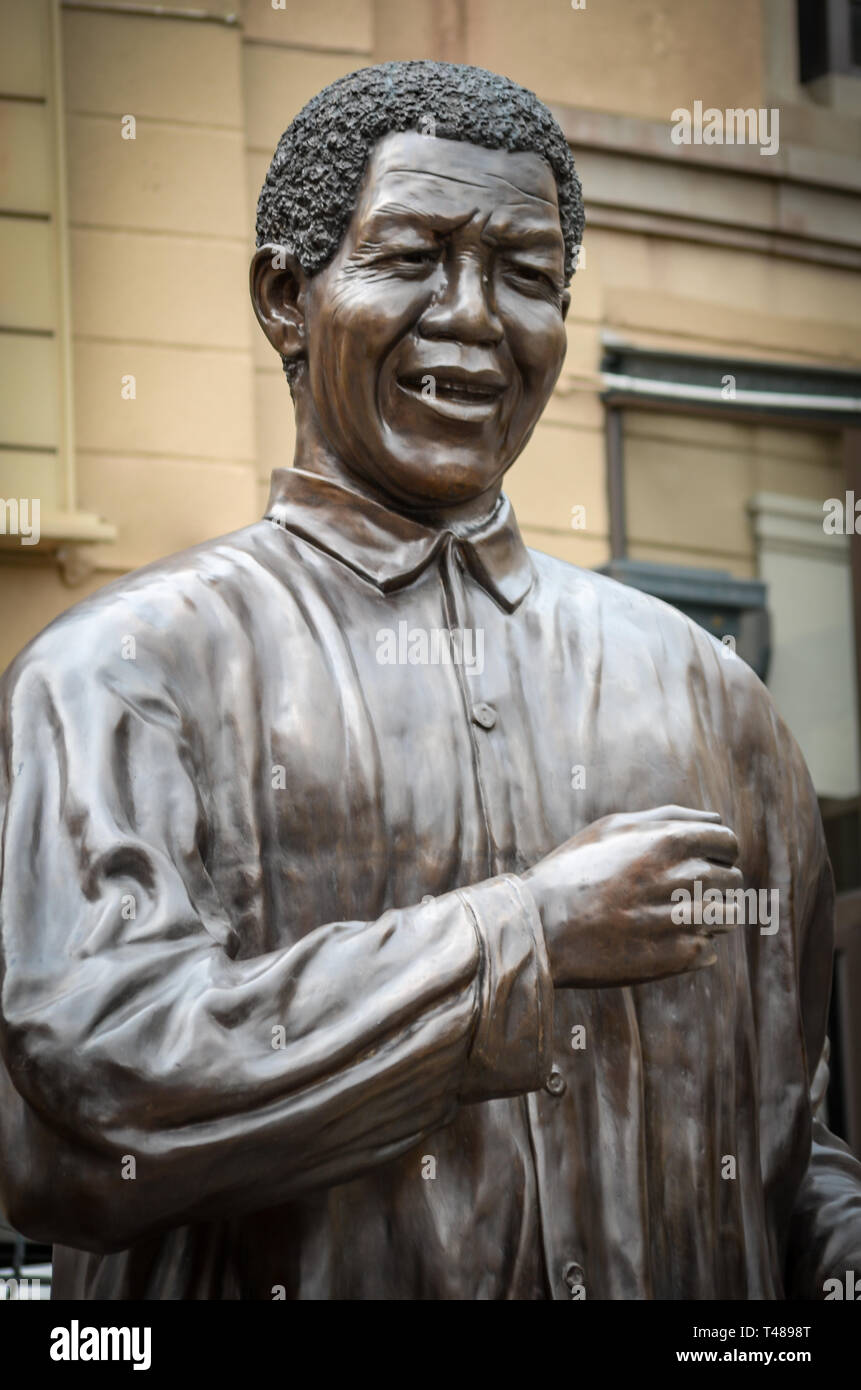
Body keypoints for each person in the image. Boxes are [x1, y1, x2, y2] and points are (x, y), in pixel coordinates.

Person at [0, 60, 859, 1300]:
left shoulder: (708, 697)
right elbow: (87, 1109)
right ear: (286, 296)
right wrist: (528, 935)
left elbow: (782, 1130)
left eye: (523, 275)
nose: (472, 315)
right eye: (413, 256)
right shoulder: (118, 674)